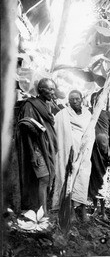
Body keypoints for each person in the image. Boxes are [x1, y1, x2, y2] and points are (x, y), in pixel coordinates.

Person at [16, 78, 58, 214]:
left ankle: (41, 209)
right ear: (41, 90)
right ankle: (43, 212)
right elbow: (26, 129)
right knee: (44, 178)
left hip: (47, 148)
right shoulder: (30, 105)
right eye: (50, 89)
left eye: (54, 89)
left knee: (46, 179)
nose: (53, 92)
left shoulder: (47, 105)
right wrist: (32, 153)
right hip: (36, 148)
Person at [52, 89, 92, 221]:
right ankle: (69, 209)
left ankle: (81, 207)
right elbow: (57, 132)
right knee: (68, 177)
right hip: (68, 153)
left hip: (84, 154)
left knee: (83, 178)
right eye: (72, 99)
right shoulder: (62, 115)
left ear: (82, 99)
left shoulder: (88, 115)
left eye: (77, 98)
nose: (75, 101)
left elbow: (90, 134)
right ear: (68, 101)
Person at [88, 91, 110, 221]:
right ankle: (94, 208)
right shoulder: (88, 112)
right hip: (91, 151)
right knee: (92, 179)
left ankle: (103, 211)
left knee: (102, 180)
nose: (96, 102)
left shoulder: (107, 114)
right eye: (94, 99)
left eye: (98, 100)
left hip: (104, 152)